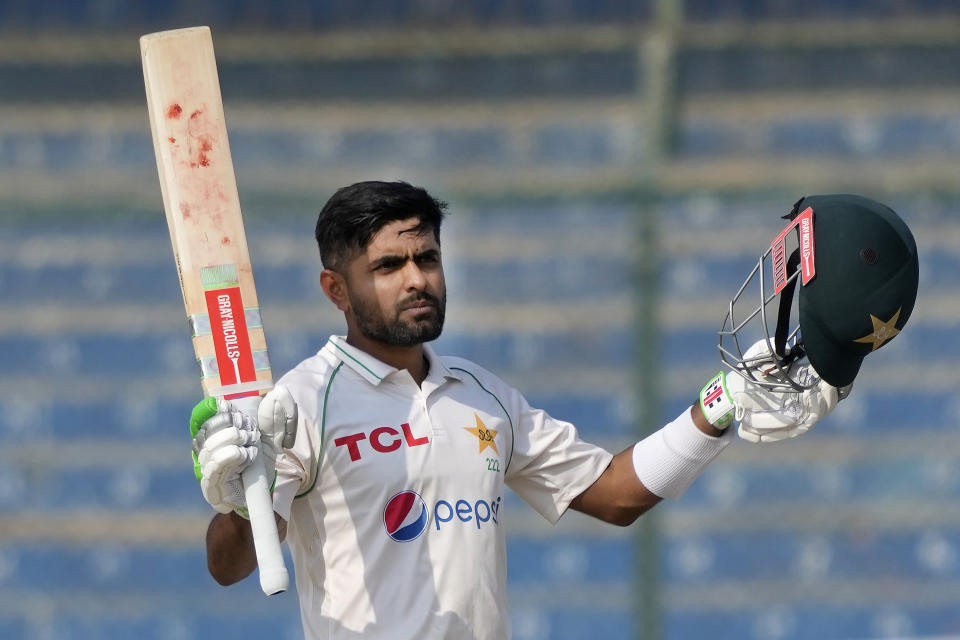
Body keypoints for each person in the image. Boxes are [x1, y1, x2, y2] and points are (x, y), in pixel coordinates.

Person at [189, 181, 850, 639]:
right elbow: (230, 566)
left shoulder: (482, 393)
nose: (417, 278)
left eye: (427, 258)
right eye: (388, 265)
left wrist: (723, 401)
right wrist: (236, 497)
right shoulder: (301, 402)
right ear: (336, 289)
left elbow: (612, 496)